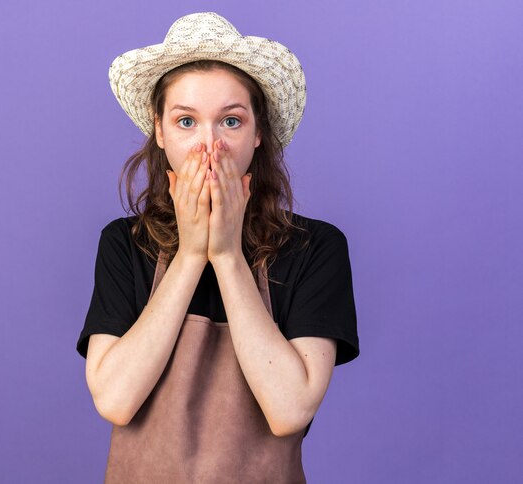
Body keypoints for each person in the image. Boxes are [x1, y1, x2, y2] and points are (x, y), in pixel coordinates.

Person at [76, 12, 360, 483]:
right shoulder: (124, 245)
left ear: (258, 133)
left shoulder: (316, 248)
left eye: (230, 120)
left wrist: (226, 255)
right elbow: (115, 400)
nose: (210, 146)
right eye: (186, 121)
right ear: (161, 132)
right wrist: (190, 255)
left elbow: (289, 410)